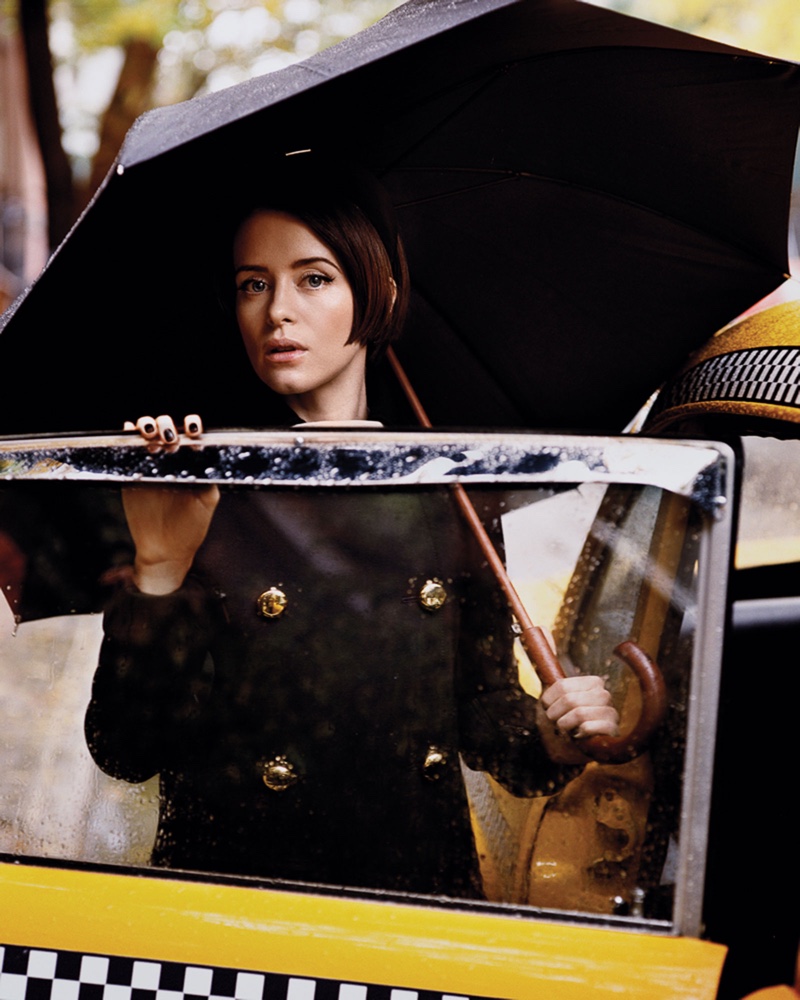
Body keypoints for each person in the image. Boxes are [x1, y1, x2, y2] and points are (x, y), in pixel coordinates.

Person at [85, 152, 618, 898]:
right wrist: (158, 570)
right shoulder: (198, 481)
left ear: (379, 290)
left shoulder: (444, 481)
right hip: (236, 913)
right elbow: (126, 750)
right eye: (252, 284)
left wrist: (554, 737)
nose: (277, 311)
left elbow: (483, 715)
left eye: (314, 278)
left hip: (418, 895)